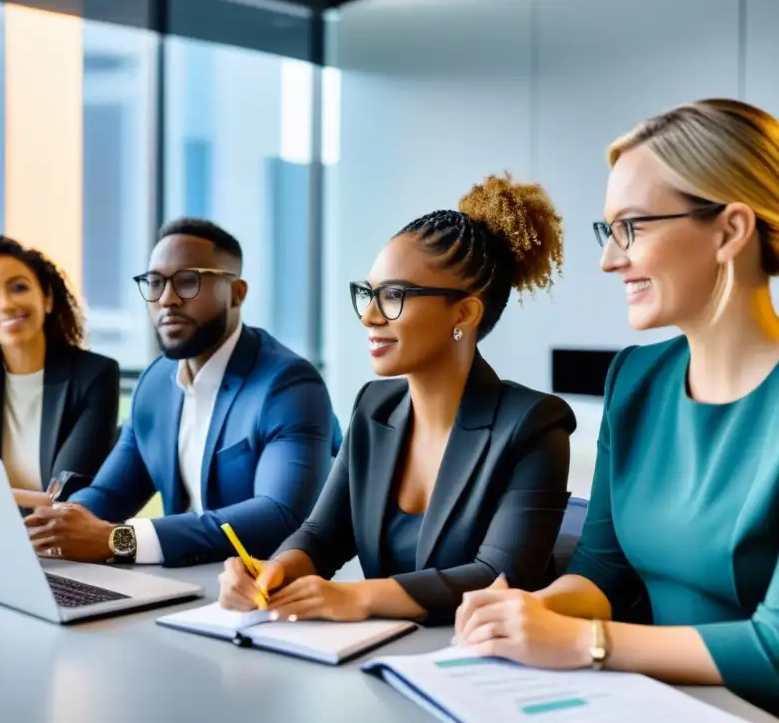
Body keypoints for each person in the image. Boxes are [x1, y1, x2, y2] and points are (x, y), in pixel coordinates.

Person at [452, 99, 779, 722]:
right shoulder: (636, 378)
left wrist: (582, 643)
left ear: (730, 231)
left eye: (632, 228)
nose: (609, 259)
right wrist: (531, 613)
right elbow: (602, 572)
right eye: (608, 230)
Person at [218, 174, 576, 627]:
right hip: (378, 658)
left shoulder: (535, 424)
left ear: (463, 313)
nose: (369, 315)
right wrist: (275, 570)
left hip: (486, 661)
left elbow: (500, 577)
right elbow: (322, 534)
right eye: (369, 294)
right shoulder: (375, 407)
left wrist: (361, 597)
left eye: (392, 296)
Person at [24, 218, 341, 568]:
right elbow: (111, 492)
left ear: (237, 293)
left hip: (264, 591)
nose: (167, 299)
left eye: (188, 281)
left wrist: (118, 540)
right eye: (155, 283)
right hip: (179, 579)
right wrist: (55, 525)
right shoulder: (155, 383)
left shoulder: (289, 385)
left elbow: (280, 516)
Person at [0, 235, 121, 499]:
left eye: (18, 287)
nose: (6, 304)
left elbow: (65, 494)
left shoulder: (95, 377)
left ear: (47, 298)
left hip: (59, 537)